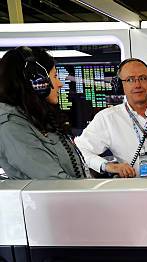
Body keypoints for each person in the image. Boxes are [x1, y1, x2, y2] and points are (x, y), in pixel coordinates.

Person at [0, 47, 87, 179]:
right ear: (36, 81)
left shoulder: (35, 117)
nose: (59, 84)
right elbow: (54, 182)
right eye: (55, 76)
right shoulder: (12, 126)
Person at [75, 58, 147, 178]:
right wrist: (108, 166)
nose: (137, 84)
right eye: (130, 80)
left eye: (143, 78)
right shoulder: (107, 118)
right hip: (131, 191)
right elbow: (79, 150)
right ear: (120, 85)